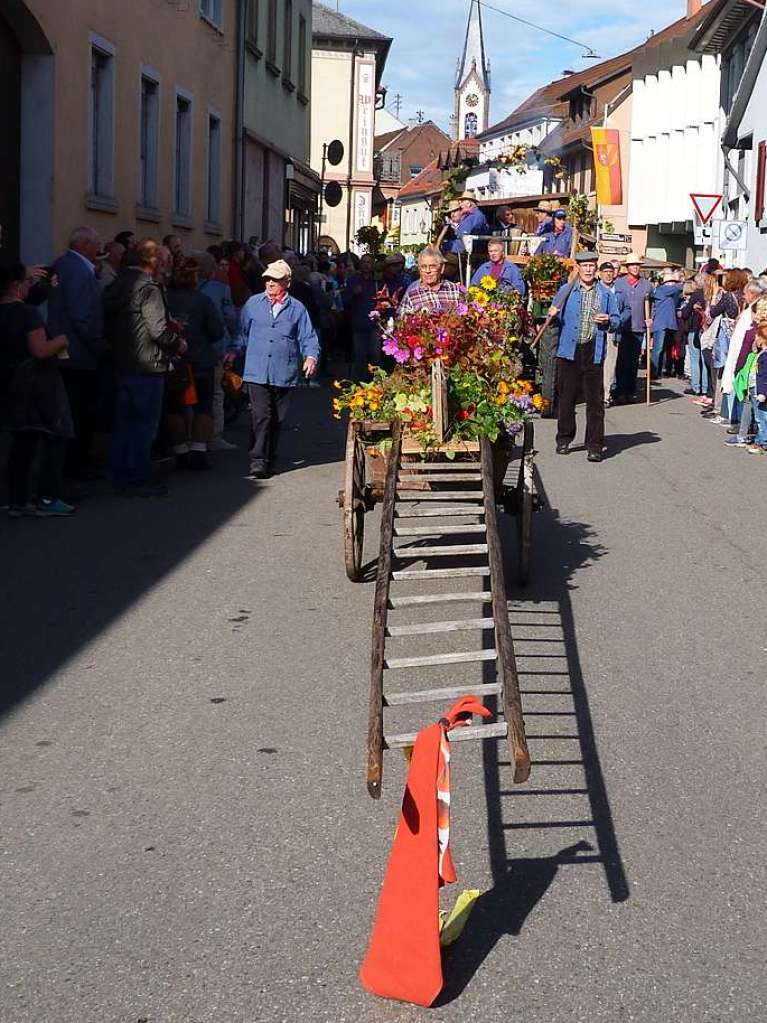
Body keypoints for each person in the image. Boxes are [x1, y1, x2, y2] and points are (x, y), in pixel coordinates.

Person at [103, 239, 186, 496]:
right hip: (147, 363)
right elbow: (158, 329)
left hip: (123, 360)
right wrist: (178, 343)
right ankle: (137, 478)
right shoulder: (148, 287)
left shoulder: (118, 282)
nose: (166, 264)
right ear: (152, 261)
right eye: (163, 259)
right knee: (142, 426)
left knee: (124, 424)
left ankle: (121, 475)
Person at [0, 261, 74, 516]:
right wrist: (61, 340)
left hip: (10, 383)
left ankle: (16, 501)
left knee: (22, 442)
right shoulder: (27, 314)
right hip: (37, 385)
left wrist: (42, 289)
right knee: (55, 435)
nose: (29, 285)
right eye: (27, 281)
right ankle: (46, 498)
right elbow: (40, 350)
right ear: (17, 285)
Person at [236, 259, 320, 480]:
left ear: (287, 282)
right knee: (261, 415)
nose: (270, 282)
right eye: (268, 278)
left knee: (277, 419)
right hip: (256, 369)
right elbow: (241, 333)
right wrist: (232, 351)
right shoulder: (253, 304)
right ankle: (257, 459)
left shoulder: (297, 308)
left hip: (284, 370)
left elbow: (308, 337)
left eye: (275, 279)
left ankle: (269, 458)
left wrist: (311, 357)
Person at [549, 251, 621, 462]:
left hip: (594, 351)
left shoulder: (606, 294)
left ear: (596, 268)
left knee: (595, 402)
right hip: (569, 351)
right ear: (578, 268)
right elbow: (553, 320)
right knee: (566, 398)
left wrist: (608, 319)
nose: (588, 270)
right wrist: (552, 315)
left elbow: (616, 321)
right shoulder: (566, 291)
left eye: (591, 266)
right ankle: (563, 438)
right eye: (585, 266)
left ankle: (595, 445)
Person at [46, 226, 103, 478]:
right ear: (84, 245)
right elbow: (81, 316)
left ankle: (72, 465)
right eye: (95, 245)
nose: (98, 250)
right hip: (78, 353)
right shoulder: (79, 270)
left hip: (67, 350)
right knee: (79, 412)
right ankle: (73, 468)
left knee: (74, 410)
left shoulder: (63, 263)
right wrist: (97, 344)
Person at [165, 258, 226, 470]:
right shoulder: (202, 300)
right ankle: (199, 449)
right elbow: (217, 332)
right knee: (204, 407)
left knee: (175, 407)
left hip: (174, 361)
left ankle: (180, 450)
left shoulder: (165, 298)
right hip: (201, 361)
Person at [193, 250, 239, 452]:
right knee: (215, 393)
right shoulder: (220, 290)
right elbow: (229, 318)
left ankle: (190, 436)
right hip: (214, 348)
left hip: (186, 348)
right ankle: (214, 435)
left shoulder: (179, 287)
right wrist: (235, 340)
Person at [613, 253, 653, 404]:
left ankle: (630, 391)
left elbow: (653, 303)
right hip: (622, 328)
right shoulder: (619, 284)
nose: (635, 267)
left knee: (633, 362)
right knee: (621, 361)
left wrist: (651, 319)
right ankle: (619, 392)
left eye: (637, 265)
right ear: (627, 267)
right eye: (632, 265)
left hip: (638, 328)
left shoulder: (646, 285)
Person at [342, 253, 379, 380]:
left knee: (375, 354)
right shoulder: (354, 280)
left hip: (374, 324)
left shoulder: (377, 281)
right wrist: (353, 293)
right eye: (364, 262)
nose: (367, 265)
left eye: (369, 262)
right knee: (359, 355)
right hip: (358, 323)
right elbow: (344, 301)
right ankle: (360, 382)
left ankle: (375, 380)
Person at [598, 260, 629, 406]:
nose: (608, 275)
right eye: (605, 272)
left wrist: (617, 320)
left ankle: (606, 394)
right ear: (600, 274)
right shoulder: (595, 289)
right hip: (596, 330)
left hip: (612, 331)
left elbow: (627, 310)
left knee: (610, 364)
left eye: (611, 272)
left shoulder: (620, 292)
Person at [399, 247, 462, 314]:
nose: (428, 271)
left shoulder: (454, 290)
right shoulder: (412, 294)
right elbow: (400, 320)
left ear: (442, 268)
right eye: (423, 267)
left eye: (432, 266)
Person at [650, 269, 683, 380]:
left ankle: (663, 370)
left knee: (666, 349)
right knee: (658, 349)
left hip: (669, 324)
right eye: (671, 281)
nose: (673, 284)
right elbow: (679, 287)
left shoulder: (671, 292)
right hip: (661, 324)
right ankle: (654, 371)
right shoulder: (663, 290)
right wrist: (680, 280)